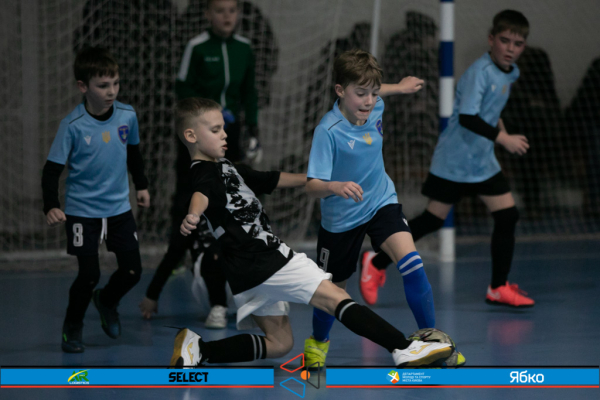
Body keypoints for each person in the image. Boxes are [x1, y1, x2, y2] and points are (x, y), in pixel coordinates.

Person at [169, 97, 453, 368]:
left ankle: (199, 349)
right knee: (334, 297)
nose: (224, 134)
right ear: (191, 136)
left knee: (280, 343)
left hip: (243, 269)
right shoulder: (203, 172)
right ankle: (404, 348)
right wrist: (193, 214)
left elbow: (272, 179)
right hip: (264, 258)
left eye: (223, 127)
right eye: (215, 130)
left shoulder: (227, 168)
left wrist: (322, 181)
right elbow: (201, 194)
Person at [360, 10, 535, 309]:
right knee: (432, 220)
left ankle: (498, 287)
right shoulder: (479, 73)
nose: (510, 48)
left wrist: (501, 132)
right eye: (504, 41)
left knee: (507, 216)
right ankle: (375, 262)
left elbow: (491, 110)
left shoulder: (511, 72)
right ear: (491, 39)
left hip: (482, 161)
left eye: (517, 44)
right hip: (455, 160)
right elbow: (468, 117)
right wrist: (503, 139)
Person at [303, 49, 439, 369]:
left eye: (373, 93)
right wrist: (335, 186)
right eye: (360, 93)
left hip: (380, 201)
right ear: (340, 90)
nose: (368, 101)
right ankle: (318, 342)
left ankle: (433, 341)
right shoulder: (328, 130)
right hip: (341, 219)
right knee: (332, 291)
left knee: (412, 264)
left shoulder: (376, 104)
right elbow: (311, 185)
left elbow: (375, 90)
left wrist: (399, 87)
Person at [42, 47, 150, 353]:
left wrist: (141, 186)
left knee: (132, 271)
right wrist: (51, 205)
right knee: (89, 275)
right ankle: (72, 325)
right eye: (103, 85)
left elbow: (134, 153)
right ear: (83, 86)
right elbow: (51, 171)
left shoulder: (127, 115)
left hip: (119, 210)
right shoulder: (72, 125)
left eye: (115, 83)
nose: (111, 91)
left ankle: (107, 300)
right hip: (82, 212)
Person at [138, 139, 231, 330]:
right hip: (207, 283)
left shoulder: (233, 198)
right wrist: (151, 295)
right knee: (214, 253)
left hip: (237, 281)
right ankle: (218, 307)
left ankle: (269, 302)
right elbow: (174, 253)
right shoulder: (190, 210)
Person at [176, 0, 261, 163]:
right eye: (220, 11)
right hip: (198, 126)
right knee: (196, 175)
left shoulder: (244, 48)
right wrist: (209, 113)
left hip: (230, 126)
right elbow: (183, 88)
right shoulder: (196, 46)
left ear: (238, 13)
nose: (227, 16)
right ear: (208, 14)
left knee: (229, 174)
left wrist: (252, 127)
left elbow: (249, 90)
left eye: (232, 10)